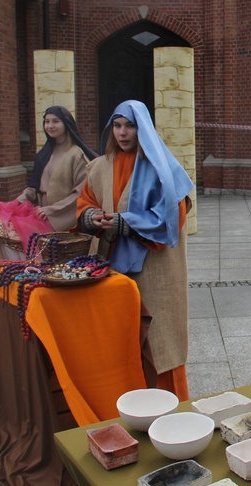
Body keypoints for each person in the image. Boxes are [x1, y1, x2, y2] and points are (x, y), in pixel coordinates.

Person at [76, 100, 194, 400]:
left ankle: (170, 406)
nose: (123, 133)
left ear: (143, 129)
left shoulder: (162, 168)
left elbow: (175, 215)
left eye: (129, 126)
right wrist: (92, 217)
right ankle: (128, 403)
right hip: (113, 269)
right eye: (117, 126)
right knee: (121, 338)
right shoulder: (100, 167)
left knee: (159, 340)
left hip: (156, 271)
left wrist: (124, 222)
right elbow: (85, 203)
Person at [17, 106, 97, 231]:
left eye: (55, 121)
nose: (50, 125)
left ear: (66, 123)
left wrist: (51, 211)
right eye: (47, 121)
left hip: (61, 219)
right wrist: (18, 201)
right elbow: (35, 187)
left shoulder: (76, 154)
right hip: (41, 215)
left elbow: (81, 193)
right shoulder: (44, 154)